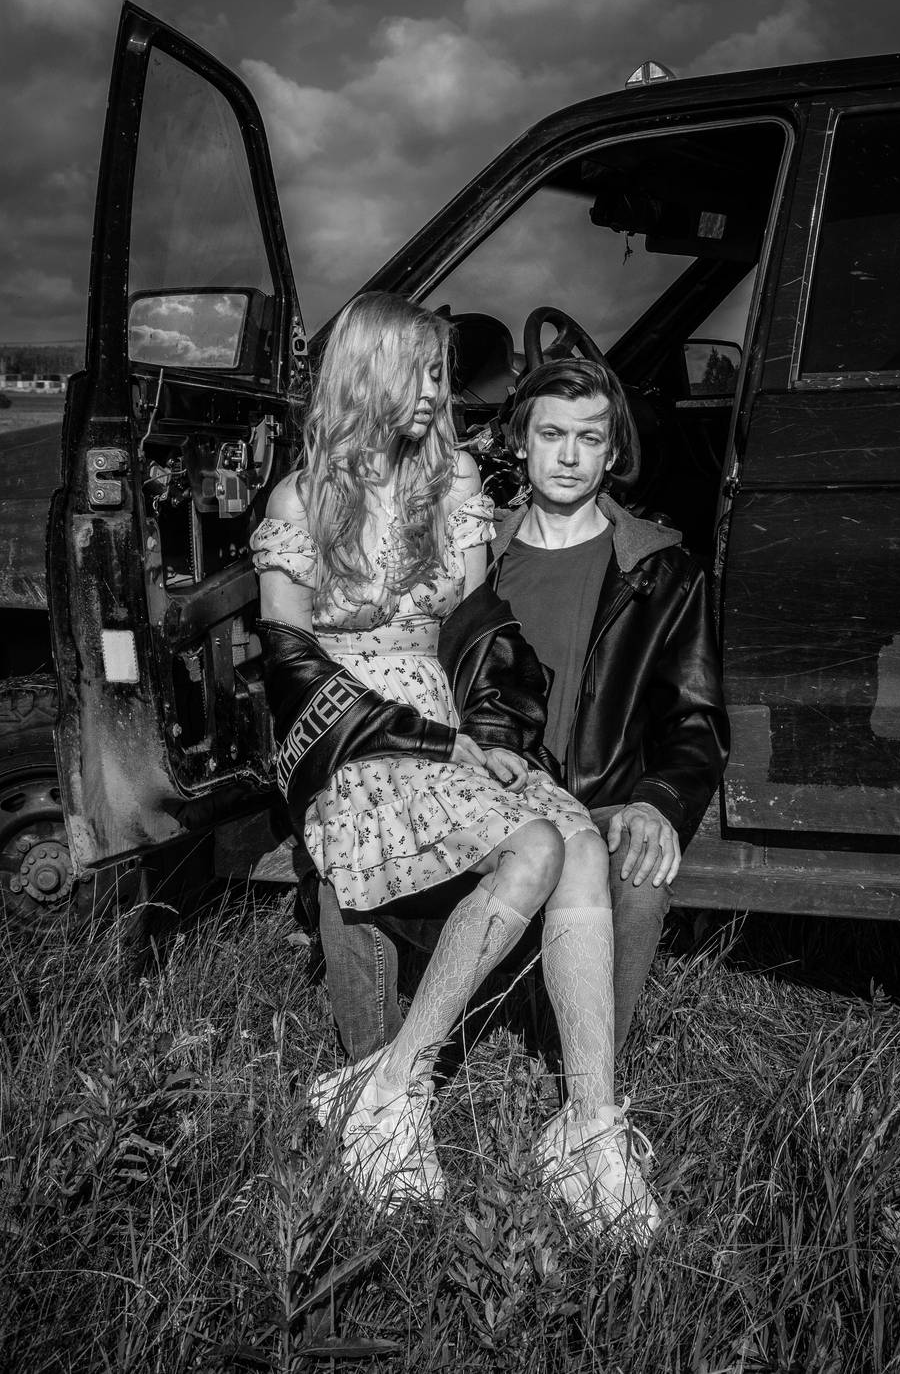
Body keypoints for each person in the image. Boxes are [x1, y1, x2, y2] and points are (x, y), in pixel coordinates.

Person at [251, 294, 658, 1242]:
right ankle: (394, 1089)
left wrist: (494, 733)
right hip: (351, 740)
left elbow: (480, 632)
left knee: (576, 845)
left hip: (448, 728)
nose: (440, 392)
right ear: (369, 375)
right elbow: (291, 667)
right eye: (424, 373)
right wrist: (432, 742)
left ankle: (589, 1125)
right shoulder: (299, 500)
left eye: (442, 373)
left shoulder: (456, 482)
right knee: (533, 850)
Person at [317, 354, 729, 1075]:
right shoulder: (469, 558)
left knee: (637, 873)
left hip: (600, 798)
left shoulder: (662, 571)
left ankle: (587, 1087)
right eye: (551, 434)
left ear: (613, 452)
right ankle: (378, 1080)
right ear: (519, 441)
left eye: (589, 438)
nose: (569, 456)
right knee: (347, 853)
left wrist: (659, 801)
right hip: (486, 793)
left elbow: (696, 717)